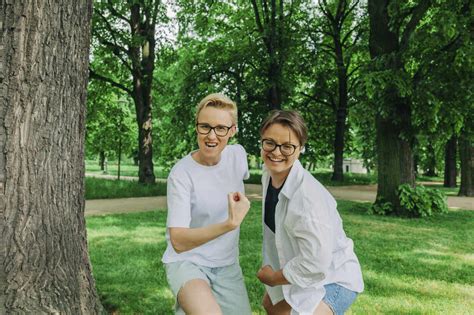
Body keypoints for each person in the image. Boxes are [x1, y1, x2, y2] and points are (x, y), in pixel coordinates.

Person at [256, 110, 364, 315]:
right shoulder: (268, 174)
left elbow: (316, 264)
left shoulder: (307, 199)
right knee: (271, 306)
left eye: (287, 146)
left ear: (300, 149)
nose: (276, 152)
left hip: (334, 279)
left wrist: (274, 278)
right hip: (305, 276)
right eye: (269, 142)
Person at [162, 93, 252, 315]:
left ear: (232, 131)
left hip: (227, 265)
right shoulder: (181, 174)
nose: (212, 136)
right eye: (205, 127)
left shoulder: (238, 156)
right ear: (197, 127)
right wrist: (229, 225)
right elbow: (179, 241)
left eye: (221, 128)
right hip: (187, 261)